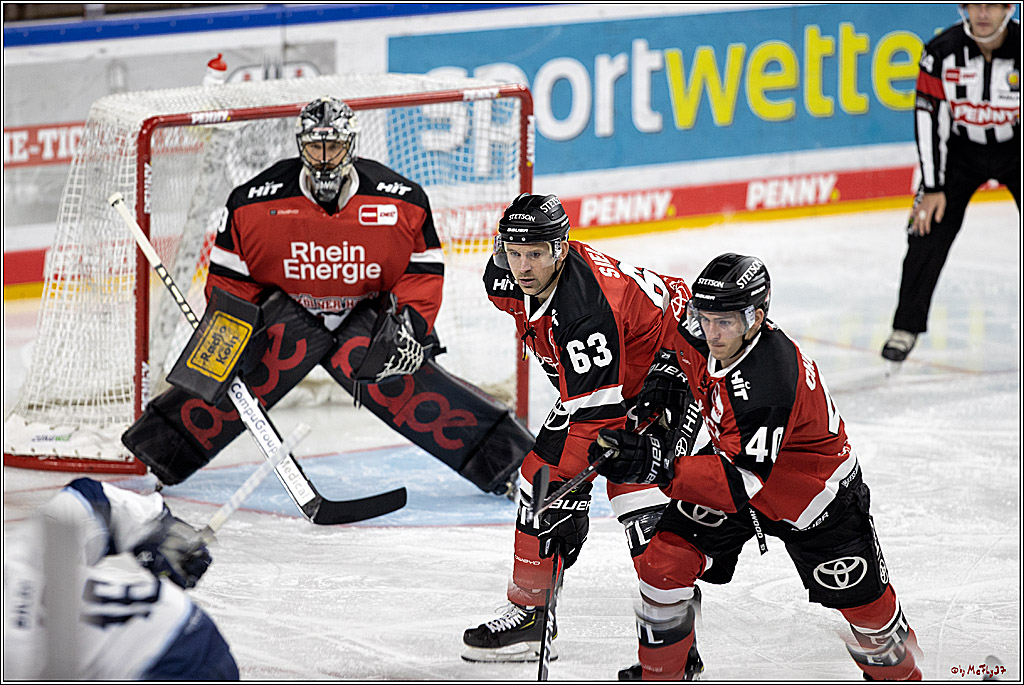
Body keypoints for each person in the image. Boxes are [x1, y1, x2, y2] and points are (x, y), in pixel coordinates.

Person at [122, 96, 529, 498]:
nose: (323, 156)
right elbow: (232, 280)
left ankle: (511, 466)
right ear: (301, 144)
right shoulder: (252, 202)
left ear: (350, 145)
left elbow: (421, 272)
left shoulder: (401, 200)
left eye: (332, 145)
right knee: (227, 380)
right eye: (314, 145)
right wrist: (227, 332)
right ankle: (159, 458)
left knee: (416, 390)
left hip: (368, 321)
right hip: (285, 322)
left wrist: (410, 324)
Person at [589, 254, 923, 680]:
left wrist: (657, 464)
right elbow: (675, 351)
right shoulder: (704, 327)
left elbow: (738, 484)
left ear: (757, 316)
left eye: (724, 322)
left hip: (815, 501)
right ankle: (664, 673)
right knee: (663, 562)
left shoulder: (767, 379)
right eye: (705, 317)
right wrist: (660, 391)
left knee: (871, 619)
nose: (712, 332)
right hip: (738, 468)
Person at [462, 193, 693, 662]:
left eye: (535, 254)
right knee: (538, 482)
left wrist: (571, 499)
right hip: (616, 373)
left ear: (561, 249)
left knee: (637, 494)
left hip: (675, 369)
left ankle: (676, 647)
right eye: (514, 251)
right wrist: (560, 498)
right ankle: (530, 617)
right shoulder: (504, 275)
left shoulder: (586, 312)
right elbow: (555, 354)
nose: (523, 266)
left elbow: (597, 421)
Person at [882, 3, 1020, 363]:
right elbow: (927, 117)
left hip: (1017, 148)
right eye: (975, 5)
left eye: (992, 5)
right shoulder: (940, 52)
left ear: (1008, 9)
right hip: (959, 154)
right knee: (924, 227)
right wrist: (931, 186)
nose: (983, 13)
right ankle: (906, 327)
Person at [3, 478, 237, 680]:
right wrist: (155, 526)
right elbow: (88, 496)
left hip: (163, 665)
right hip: (188, 627)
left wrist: (158, 532)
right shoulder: (17, 553)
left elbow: (91, 497)